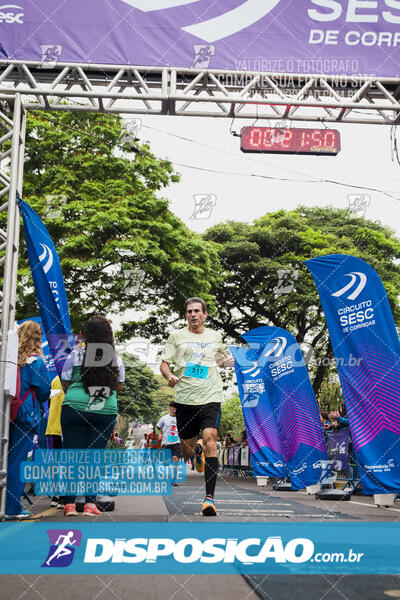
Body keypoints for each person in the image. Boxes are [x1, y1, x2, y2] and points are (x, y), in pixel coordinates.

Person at [160, 297, 234, 516]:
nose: (192, 314)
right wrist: (170, 375)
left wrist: (226, 362)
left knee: (211, 438)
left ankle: (209, 499)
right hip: (185, 399)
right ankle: (196, 453)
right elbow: (164, 363)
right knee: (186, 448)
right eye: (189, 311)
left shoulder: (215, 337)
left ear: (205, 315)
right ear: (186, 316)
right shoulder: (177, 336)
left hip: (211, 396)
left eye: (196, 311)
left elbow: (219, 361)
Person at [60, 314, 124, 517]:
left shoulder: (75, 354)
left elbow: (65, 381)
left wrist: (78, 396)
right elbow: (119, 386)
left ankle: (69, 505)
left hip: (74, 408)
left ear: (85, 334)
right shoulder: (115, 357)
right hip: (104, 409)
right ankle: (89, 504)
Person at [6, 320, 52, 519]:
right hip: (25, 415)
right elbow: (43, 392)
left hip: (6, 412)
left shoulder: (8, 359)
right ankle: (11, 508)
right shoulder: (36, 362)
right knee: (17, 461)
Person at [156, 401, 181, 486]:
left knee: (175, 459)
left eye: (176, 407)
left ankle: (173, 481)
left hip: (176, 442)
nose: (174, 408)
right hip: (166, 443)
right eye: (173, 407)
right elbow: (157, 427)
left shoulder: (179, 418)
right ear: (170, 407)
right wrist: (158, 434)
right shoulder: (164, 418)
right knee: (166, 463)